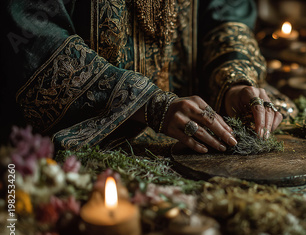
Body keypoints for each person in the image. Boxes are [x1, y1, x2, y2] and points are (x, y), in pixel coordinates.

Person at [1, 0, 282, 153]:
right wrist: (143, 102)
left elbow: (223, 12)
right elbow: (28, 34)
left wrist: (234, 80)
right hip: (88, 153)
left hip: (195, 144)